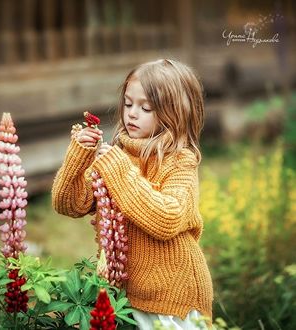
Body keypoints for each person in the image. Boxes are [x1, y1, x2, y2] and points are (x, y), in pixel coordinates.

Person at [51, 59, 214, 329]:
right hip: (126, 297)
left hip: (173, 298)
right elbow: (68, 204)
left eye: (145, 107)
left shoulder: (180, 161)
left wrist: (119, 169)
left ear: (174, 113)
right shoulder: (119, 155)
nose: (132, 114)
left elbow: (168, 219)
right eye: (128, 104)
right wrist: (77, 158)